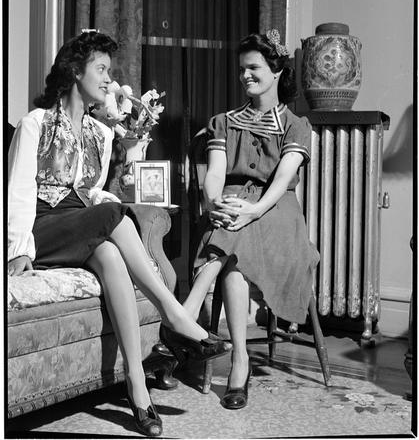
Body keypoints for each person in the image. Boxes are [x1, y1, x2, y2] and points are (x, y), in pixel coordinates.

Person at [7, 31, 231, 436]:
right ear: (75, 71)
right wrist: (18, 250)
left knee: (111, 255)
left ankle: (136, 384)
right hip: (43, 226)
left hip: (78, 223)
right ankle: (174, 315)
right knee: (115, 215)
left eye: (110, 71)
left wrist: (106, 200)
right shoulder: (34, 123)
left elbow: (89, 190)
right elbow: (19, 190)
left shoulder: (101, 133)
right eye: (101, 69)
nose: (109, 79)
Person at [181, 30, 320, 410]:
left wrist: (253, 210)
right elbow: (215, 172)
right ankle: (240, 360)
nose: (245, 75)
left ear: (276, 71)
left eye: (254, 68)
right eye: (242, 68)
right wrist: (214, 202)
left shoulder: (296, 125)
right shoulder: (223, 122)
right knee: (234, 262)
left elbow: (282, 179)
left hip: (278, 209)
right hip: (232, 202)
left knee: (233, 232)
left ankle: (185, 315)